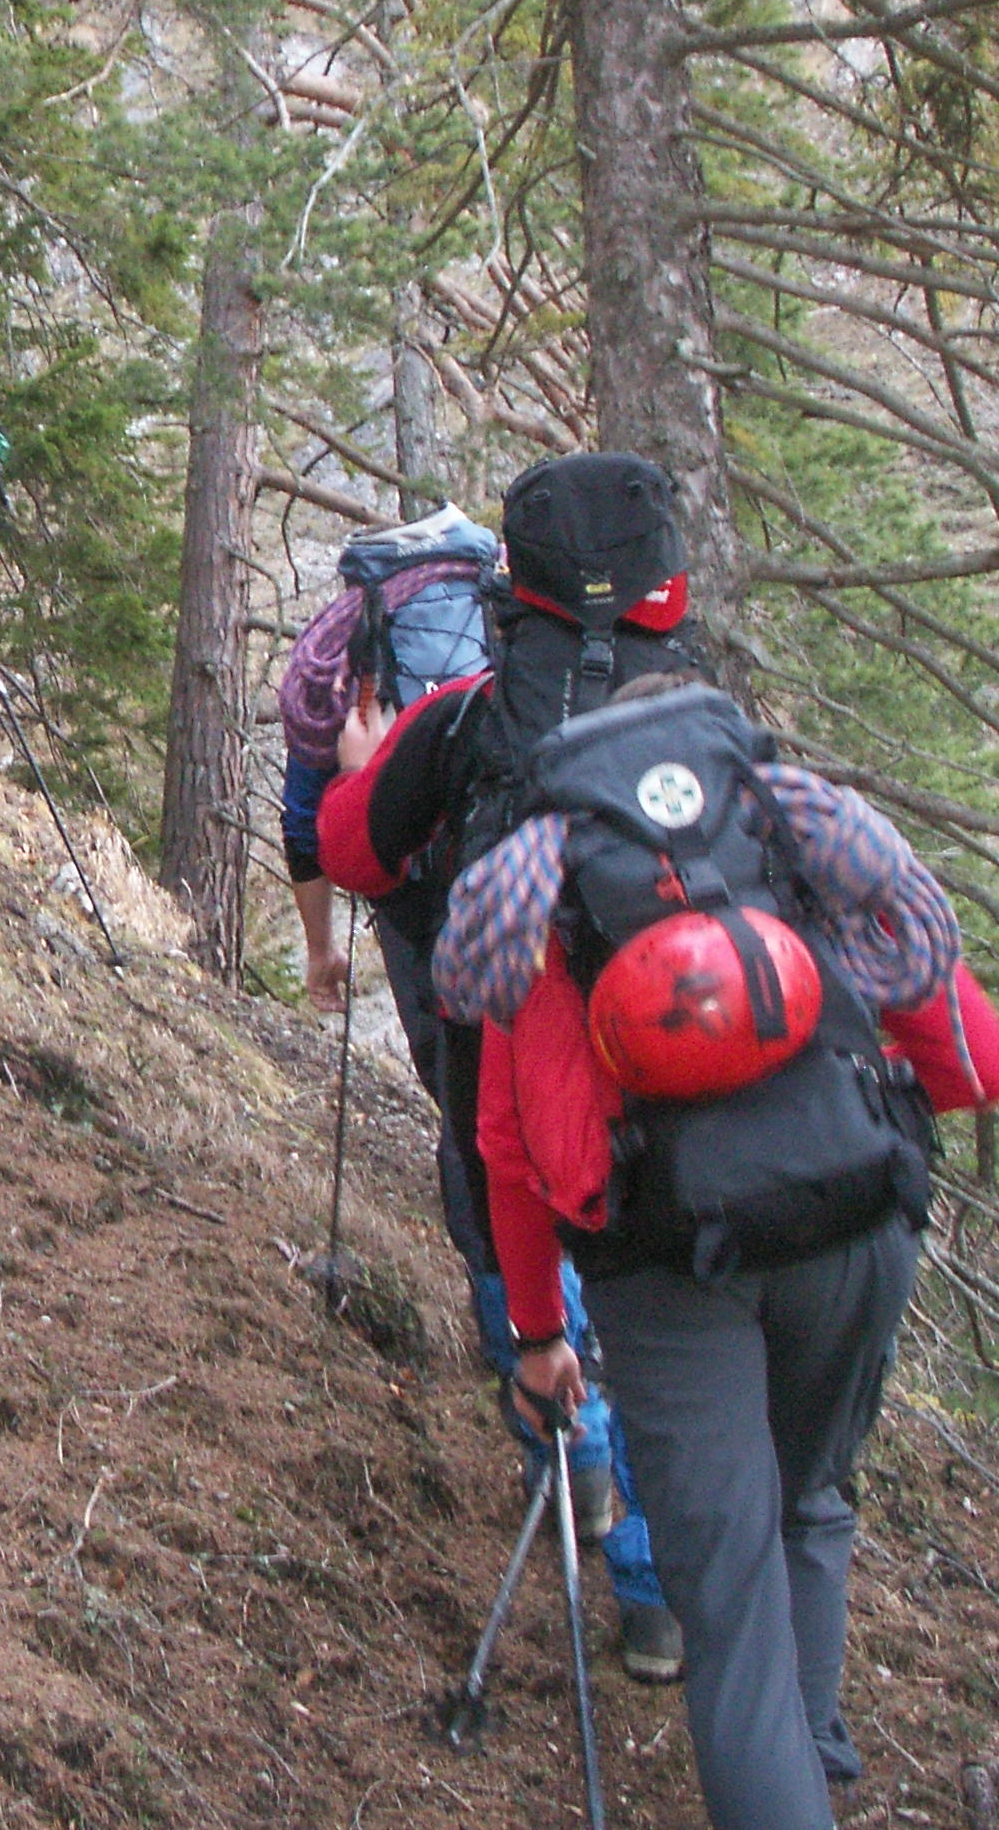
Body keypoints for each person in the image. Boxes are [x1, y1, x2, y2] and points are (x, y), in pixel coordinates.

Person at [416, 671, 999, 1830]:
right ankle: (813, 1762)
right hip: (852, 1229)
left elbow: (510, 1147)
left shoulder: (549, 892)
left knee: (731, 1610)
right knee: (811, 1499)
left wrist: (538, 1336)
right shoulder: (795, 845)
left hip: (665, 1272)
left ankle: (786, 1785)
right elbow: (978, 1067)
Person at [294, 489, 688, 1682]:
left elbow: (348, 849)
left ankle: (575, 1477)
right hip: (674, 1095)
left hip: (500, 1066)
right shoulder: (705, 724)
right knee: (664, 1324)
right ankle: (662, 1601)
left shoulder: (462, 719)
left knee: (510, 1227)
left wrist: (363, 771)